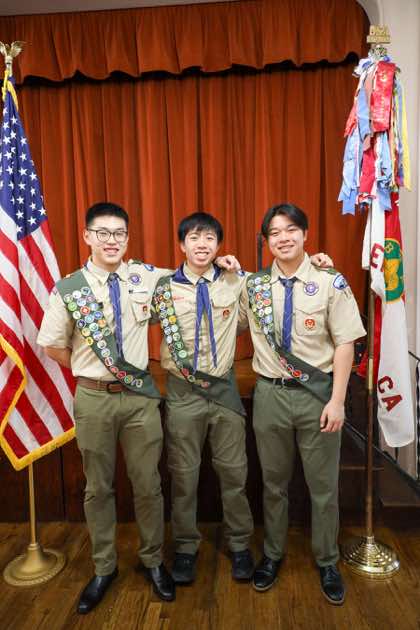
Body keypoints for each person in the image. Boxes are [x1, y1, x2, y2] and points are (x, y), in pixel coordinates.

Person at [37, 202, 177, 611]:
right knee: (97, 487)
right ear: (87, 236)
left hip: (139, 399)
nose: (111, 240)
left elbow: (191, 277)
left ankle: (153, 561)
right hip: (94, 398)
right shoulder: (70, 288)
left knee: (148, 483)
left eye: (119, 233)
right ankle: (104, 567)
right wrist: (91, 370)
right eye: (103, 232)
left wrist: (224, 263)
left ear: (128, 238)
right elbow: (52, 345)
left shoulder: (146, 277)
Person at [242, 203, 366, 605]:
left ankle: (327, 560)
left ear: (305, 234)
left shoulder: (330, 282)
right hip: (270, 396)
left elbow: (346, 342)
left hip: (318, 397)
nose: (284, 238)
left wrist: (338, 400)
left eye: (291, 229)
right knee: (273, 484)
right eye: (275, 232)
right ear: (267, 241)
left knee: (323, 486)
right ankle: (272, 555)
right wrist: (224, 267)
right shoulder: (253, 287)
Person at [152, 212, 255, 585]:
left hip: (224, 390)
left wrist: (321, 263)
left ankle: (240, 544)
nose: (202, 244)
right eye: (194, 237)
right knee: (183, 476)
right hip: (182, 393)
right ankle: (185, 547)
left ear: (218, 245)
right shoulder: (162, 288)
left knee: (234, 472)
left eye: (209, 237)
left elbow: (273, 291)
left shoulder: (235, 281)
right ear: (182, 244)